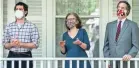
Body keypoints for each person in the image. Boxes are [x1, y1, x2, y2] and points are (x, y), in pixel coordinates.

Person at [3, 2, 40, 68]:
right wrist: (12, 44)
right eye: (16, 9)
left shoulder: (32, 26)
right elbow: (5, 44)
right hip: (12, 56)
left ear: (25, 12)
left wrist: (20, 44)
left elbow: (35, 44)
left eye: (20, 9)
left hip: (26, 56)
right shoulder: (9, 26)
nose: (18, 11)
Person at [103, 1, 139, 68]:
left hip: (126, 63)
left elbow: (136, 45)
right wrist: (107, 60)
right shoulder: (109, 25)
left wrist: (130, 55)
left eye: (122, 8)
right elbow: (106, 45)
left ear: (127, 11)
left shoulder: (133, 25)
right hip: (112, 63)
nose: (120, 9)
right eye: (118, 7)